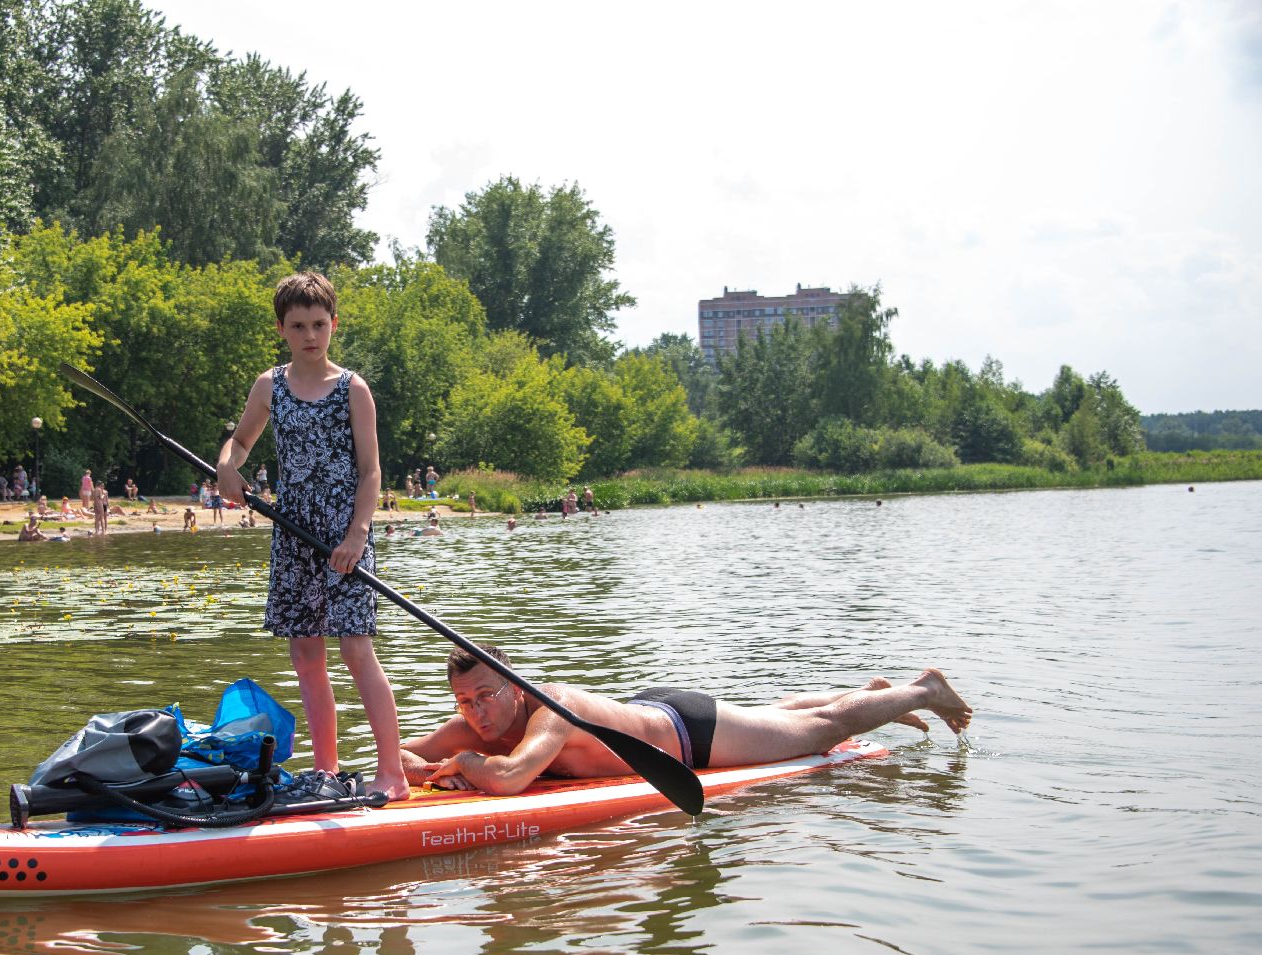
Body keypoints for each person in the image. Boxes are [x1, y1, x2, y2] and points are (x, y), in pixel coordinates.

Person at [216, 269, 409, 801]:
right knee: (306, 654)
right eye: (298, 325)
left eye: (319, 324)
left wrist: (357, 534)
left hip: (346, 536)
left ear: (333, 325)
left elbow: (371, 472)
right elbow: (240, 442)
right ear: (282, 328)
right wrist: (226, 467)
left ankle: (392, 772)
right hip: (293, 531)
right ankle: (327, 770)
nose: (310, 335)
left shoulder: (353, 389)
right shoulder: (269, 386)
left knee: (354, 649)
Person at [401, 644, 973, 795]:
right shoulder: (478, 722)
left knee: (821, 732)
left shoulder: (552, 708)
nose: (475, 713)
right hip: (646, 710)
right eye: (464, 703)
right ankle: (868, 692)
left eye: (484, 697)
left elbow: (506, 778)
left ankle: (922, 689)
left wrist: (462, 765)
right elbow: (400, 756)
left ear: (512, 685)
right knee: (773, 719)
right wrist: (423, 767)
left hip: (686, 733)